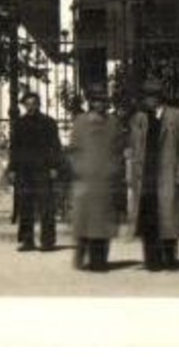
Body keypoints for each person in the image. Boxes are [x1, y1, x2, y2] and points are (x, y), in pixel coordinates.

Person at [127, 80, 179, 271]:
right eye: (146, 97)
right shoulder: (139, 118)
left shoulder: (176, 116)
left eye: (152, 97)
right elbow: (133, 148)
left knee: (168, 219)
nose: (149, 100)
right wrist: (132, 174)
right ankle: (152, 261)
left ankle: (170, 259)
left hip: (167, 174)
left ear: (159, 97)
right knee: (149, 219)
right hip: (146, 176)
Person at [68, 84, 121, 272]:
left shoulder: (113, 122)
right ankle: (80, 254)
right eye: (96, 100)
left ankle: (99, 260)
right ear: (90, 102)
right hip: (85, 179)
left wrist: (114, 169)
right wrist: (79, 170)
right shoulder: (80, 122)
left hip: (105, 180)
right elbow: (73, 150)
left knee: (102, 222)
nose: (100, 104)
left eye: (103, 101)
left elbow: (117, 149)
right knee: (84, 220)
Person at [8, 90, 63, 252]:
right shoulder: (19, 124)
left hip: (43, 170)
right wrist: (12, 169)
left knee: (46, 207)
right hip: (24, 171)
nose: (31, 107)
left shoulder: (49, 123)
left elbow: (55, 147)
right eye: (27, 104)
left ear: (39, 105)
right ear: (24, 106)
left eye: (34, 103)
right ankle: (27, 240)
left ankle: (47, 241)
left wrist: (54, 167)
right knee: (25, 206)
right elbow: (14, 148)